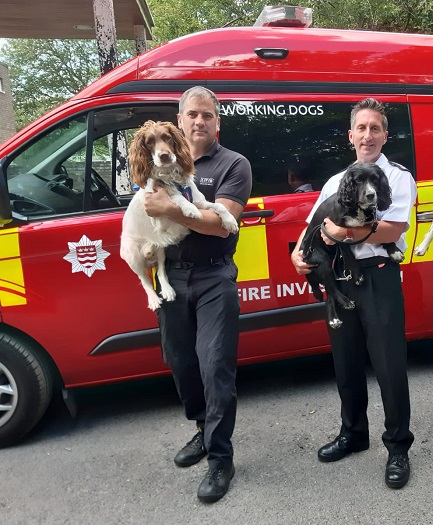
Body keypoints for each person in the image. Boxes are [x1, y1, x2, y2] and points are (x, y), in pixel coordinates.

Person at [291, 98, 417, 489]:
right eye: (360, 128)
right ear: (350, 136)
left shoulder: (397, 177)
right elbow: (315, 223)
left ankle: (397, 448)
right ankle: (354, 434)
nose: (367, 135)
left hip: (377, 275)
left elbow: (392, 231)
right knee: (345, 364)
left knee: (389, 367)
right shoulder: (335, 182)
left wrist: (344, 233)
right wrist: (297, 252)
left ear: (384, 134)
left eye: (374, 128)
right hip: (341, 279)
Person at [143, 86, 252, 503]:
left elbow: (220, 222)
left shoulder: (232, 164)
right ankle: (203, 430)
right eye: (192, 115)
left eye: (207, 115)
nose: (199, 122)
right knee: (180, 362)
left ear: (217, 121)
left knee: (215, 366)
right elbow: (142, 208)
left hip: (213, 277)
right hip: (170, 277)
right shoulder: (164, 161)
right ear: (180, 120)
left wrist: (169, 209)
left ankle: (221, 458)